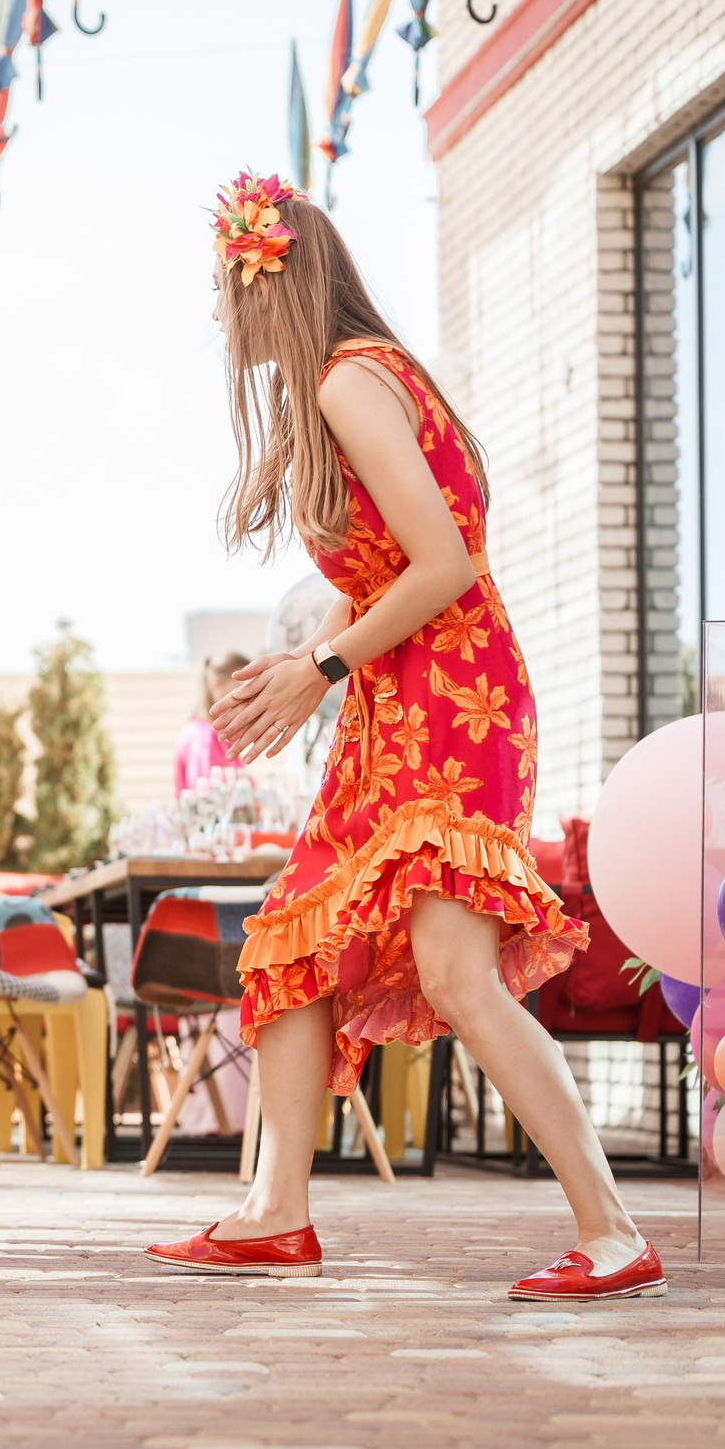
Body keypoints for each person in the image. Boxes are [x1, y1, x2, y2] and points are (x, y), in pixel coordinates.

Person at [145, 173, 657, 1301]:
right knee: (295, 938)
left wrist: (321, 667)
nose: (217, 316)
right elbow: (382, 569)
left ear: (268, 287)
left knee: (456, 973)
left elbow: (445, 566)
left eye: (225, 292)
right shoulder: (354, 380)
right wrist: (308, 668)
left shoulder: (348, 381)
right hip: (397, 696)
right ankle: (276, 1213)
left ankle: (614, 1230)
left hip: (450, 696)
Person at [173, 652, 249, 794]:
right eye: (241, 687)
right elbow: (214, 796)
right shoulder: (211, 736)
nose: (249, 696)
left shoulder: (192, 728)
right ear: (217, 684)